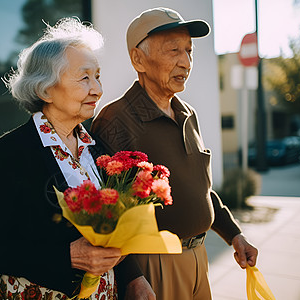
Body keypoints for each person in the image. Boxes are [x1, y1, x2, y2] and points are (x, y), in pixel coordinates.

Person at [0, 18, 141, 299]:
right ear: (45, 89)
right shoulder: (13, 152)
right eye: (84, 77)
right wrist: (66, 255)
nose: (98, 89)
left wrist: (134, 278)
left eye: (98, 76)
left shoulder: (97, 149)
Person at [91, 7, 259, 300]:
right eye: (173, 50)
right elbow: (109, 217)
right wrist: (133, 277)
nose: (186, 62)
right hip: (153, 267)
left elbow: (201, 189)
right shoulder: (115, 120)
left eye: (189, 51)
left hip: (199, 257)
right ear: (138, 59)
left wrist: (235, 235)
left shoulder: (187, 113)